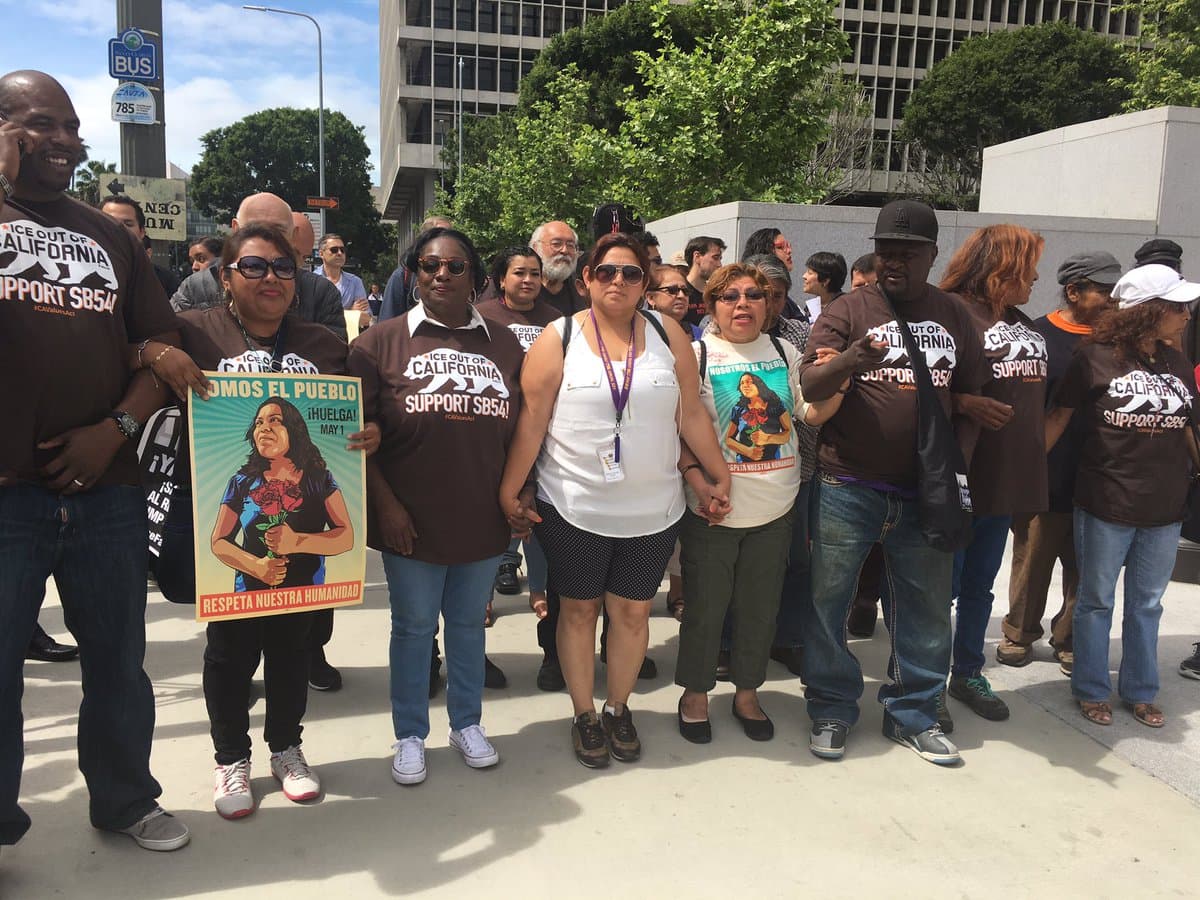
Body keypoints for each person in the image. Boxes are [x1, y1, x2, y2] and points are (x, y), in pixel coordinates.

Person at [0, 68, 189, 852]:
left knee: (118, 663)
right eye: (45, 124)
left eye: (73, 128)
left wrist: (114, 429)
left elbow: (166, 346)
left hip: (108, 489)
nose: (67, 141)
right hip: (7, 497)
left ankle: (124, 800)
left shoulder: (109, 236)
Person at [135, 223, 377, 819]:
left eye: (284, 268)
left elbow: (341, 421)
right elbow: (124, 347)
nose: (271, 278)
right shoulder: (192, 331)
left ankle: (287, 748)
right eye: (255, 267)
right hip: (228, 533)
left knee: (295, 647)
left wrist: (364, 435)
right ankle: (230, 757)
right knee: (229, 652)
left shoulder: (323, 344)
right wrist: (155, 353)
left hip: (307, 551)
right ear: (225, 277)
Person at [499, 233, 729, 769]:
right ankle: (584, 713)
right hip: (573, 504)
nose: (618, 282)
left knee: (630, 612)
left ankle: (618, 707)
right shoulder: (558, 338)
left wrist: (716, 474)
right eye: (606, 272)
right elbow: (532, 422)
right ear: (586, 280)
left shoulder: (668, 333)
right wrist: (509, 490)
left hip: (654, 509)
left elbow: (690, 412)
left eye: (630, 273)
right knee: (577, 609)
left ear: (645, 283)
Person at [799, 199, 986, 767]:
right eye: (886, 251)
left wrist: (957, 474)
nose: (894, 262)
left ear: (932, 255)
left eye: (907, 252)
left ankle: (913, 714)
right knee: (828, 600)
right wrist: (852, 357)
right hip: (847, 484)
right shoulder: (849, 310)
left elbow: (972, 403)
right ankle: (832, 708)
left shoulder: (954, 315)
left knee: (925, 606)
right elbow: (809, 384)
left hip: (924, 491)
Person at [348, 227, 526, 785]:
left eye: (454, 267)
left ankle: (466, 723)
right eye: (429, 266)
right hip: (410, 519)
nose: (441, 276)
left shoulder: (505, 345)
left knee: (469, 625)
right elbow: (358, 439)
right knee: (414, 627)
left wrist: (516, 495)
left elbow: (524, 428)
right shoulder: (377, 344)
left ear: (475, 277)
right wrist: (388, 509)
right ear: (412, 276)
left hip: (481, 514)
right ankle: (409, 734)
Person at [674, 262, 843, 744]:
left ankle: (747, 693)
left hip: (777, 508)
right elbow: (679, 426)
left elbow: (808, 414)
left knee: (759, 607)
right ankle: (695, 694)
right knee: (707, 608)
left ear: (768, 305)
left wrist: (839, 382)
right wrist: (697, 480)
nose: (742, 304)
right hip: (714, 510)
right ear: (712, 306)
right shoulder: (697, 354)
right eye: (730, 297)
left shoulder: (784, 350)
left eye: (752, 295)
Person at [1045, 264, 1200, 729]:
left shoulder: (1176, 363)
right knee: (1096, 600)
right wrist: (1024, 474)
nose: (1187, 315)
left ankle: (1139, 690)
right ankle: (1092, 689)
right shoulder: (1091, 358)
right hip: (1106, 501)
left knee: (1148, 604)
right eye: (1177, 307)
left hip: (1165, 506)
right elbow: (1057, 419)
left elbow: (1190, 427)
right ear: (1147, 312)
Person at [937, 225, 1048, 726]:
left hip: (1004, 478)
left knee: (981, 585)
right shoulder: (950, 310)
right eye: (1029, 266)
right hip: (960, 473)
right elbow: (915, 384)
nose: (1037, 276)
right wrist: (961, 401)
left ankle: (967, 671)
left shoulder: (1019, 319)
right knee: (943, 587)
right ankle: (922, 679)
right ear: (1003, 266)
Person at [997, 252, 1121, 675]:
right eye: (1102, 290)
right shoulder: (1037, 336)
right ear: (1073, 291)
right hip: (1045, 473)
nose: (1111, 297)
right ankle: (1018, 633)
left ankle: (1068, 638)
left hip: (1101, 477)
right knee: (1033, 560)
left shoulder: (1117, 341)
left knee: (1084, 567)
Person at [475, 247, 561, 616]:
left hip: (546, 431)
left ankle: (539, 589)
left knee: (541, 513)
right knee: (494, 514)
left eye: (535, 273)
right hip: (497, 427)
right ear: (501, 279)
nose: (528, 281)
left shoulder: (558, 321)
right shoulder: (481, 317)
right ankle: (484, 596)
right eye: (519, 273)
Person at [169, 193, 347, 342]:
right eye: (255, 230)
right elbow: (167, 345)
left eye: (278, 231)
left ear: (293, 237)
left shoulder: (320, 293)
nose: (266, 241)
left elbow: (335, 364)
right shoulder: (194, 289)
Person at [100, 194, 180, 297]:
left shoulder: (164, 280)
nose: (118, 229)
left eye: (127, 224)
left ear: (142, 232)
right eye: (109, 222)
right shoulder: (77, 272)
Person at [378, 216, 453, 321]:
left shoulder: (459, 274)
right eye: (440, 235)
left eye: (450, 236)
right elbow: (386, 323)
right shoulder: (403, 276)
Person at [531, 220, 588, 319]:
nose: (565, 251)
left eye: (570, 245)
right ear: (536, 248)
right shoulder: (518, 287)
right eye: (556, 244)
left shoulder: (583, 290)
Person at [645, 262, 702, 340]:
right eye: (672, 290)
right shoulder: (639, 333)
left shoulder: (699, 335)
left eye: (685, 291)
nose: (681, 295)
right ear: (651, 298)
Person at [315, 233, 368, 312]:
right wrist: (351, 312)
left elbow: (365, 318)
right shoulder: (312, 280)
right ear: (321, 254)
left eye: (342, 250)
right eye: (334, 250)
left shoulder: (355, 282)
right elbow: (310, 316)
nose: (339, 253)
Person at [683, 236, 727, 325]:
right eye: (715, 258)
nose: (719, 264)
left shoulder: (717, 293)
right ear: (697, 257)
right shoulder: (679, 291)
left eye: (720, 259)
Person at [801, 251, 848, 322]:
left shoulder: (846, 306)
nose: (804, 276)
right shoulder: (811, 307)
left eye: (810, 273)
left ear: (825, 281)